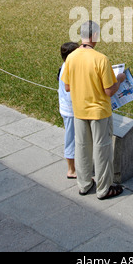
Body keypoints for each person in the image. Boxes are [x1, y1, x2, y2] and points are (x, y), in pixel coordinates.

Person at [61, 20, 126, 200]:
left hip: (79, 111)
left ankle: (84, 184)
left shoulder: (72, 57)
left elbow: (67, 86)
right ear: (95, 36)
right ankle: (104, 189)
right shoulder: (101, 59)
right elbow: (109, 90)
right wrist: (119, 79)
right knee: (102, 149)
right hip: (99, 112)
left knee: (82, 148)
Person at [58, 41, 79, 179]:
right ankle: (71, 170)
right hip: (71, 111)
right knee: (71, 139)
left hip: (69, 110)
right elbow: (70, 92)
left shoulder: (66, 67)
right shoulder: (68, 70)